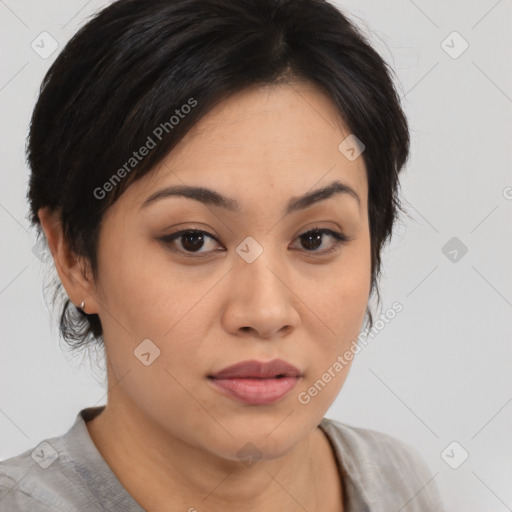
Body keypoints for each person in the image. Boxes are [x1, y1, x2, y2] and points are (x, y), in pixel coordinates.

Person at [0, 0, 445, 510]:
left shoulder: (396, 482)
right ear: (74, 256)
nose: (265, 313)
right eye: (193, 240)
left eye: (316, 238)